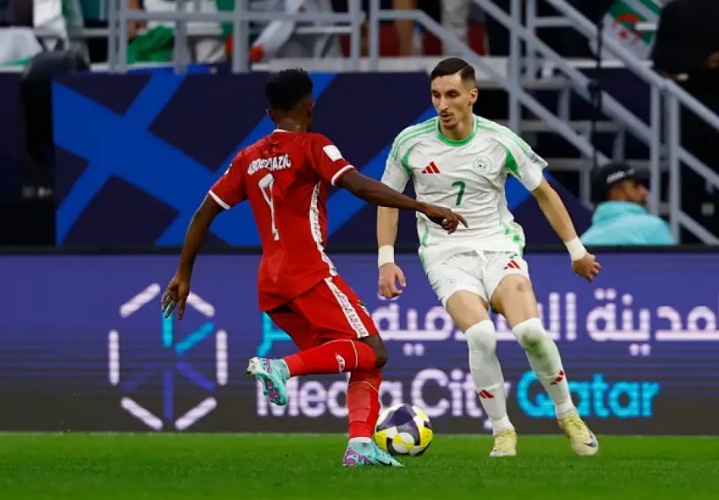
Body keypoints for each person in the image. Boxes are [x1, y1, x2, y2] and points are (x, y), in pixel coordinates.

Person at [160, 68, 466, 468]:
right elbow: (358, 186)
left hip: (271, 285)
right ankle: (280, 367)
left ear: (270, 113)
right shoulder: (313, 146)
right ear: (310, 105)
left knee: (360, 357)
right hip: (308, 271)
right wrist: (423, 206)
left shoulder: (248, 158)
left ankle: (360, 445)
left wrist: (183, 273)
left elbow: (204, 213)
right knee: (373, 350)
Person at [376, 57, 601, 458]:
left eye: (452, 95)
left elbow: (545, 194)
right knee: (480, 336)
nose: (442, 104)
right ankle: (502, 431)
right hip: (445, 254)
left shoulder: (500, 141)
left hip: (498, 245)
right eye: (436, 95)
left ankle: (567, 414)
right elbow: (387, 200)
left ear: (472, 96)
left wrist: (576, 251)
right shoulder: (410, 142)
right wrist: (386, 259)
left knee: (530, 332)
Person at [651, 0, 719, 243]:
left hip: (710, 114)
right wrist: (708, 63)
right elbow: (662, 59)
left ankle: (692, 247)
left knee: (714, 188)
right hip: (709, 115)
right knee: (704, 186)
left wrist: (694, 67)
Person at [581, 162, 676, 246]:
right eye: (635, 186)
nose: (644, 192)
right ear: (616, 192)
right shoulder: (653, 227)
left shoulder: (584, 241)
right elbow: (673, 261)